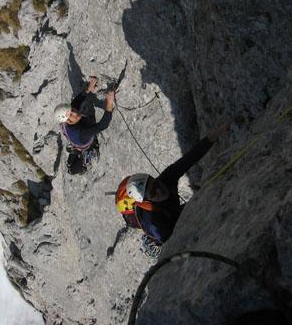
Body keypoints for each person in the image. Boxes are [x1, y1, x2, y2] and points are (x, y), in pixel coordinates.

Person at [115, 121, 231, 256]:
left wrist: (218, 132)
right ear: (146, 201)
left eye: (155, 182)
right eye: (153, 192)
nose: (159, 189)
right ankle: (152, 243)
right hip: (167, 228)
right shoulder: (154, 222)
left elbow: (190, 157)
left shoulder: (165, 180)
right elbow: (176, 241)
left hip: (172, 215)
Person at [54, 77, 116, 174]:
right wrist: (109, 102)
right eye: (71, 114)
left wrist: (89, 88)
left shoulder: (67, 116)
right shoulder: (82, 132)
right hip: (83, 140)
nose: (75, 112)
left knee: (80, 106)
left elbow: (77, 101)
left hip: (76, 139)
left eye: (72, 110)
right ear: (69, 122)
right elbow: (103, 125)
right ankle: (90, 151)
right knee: (89, 117)